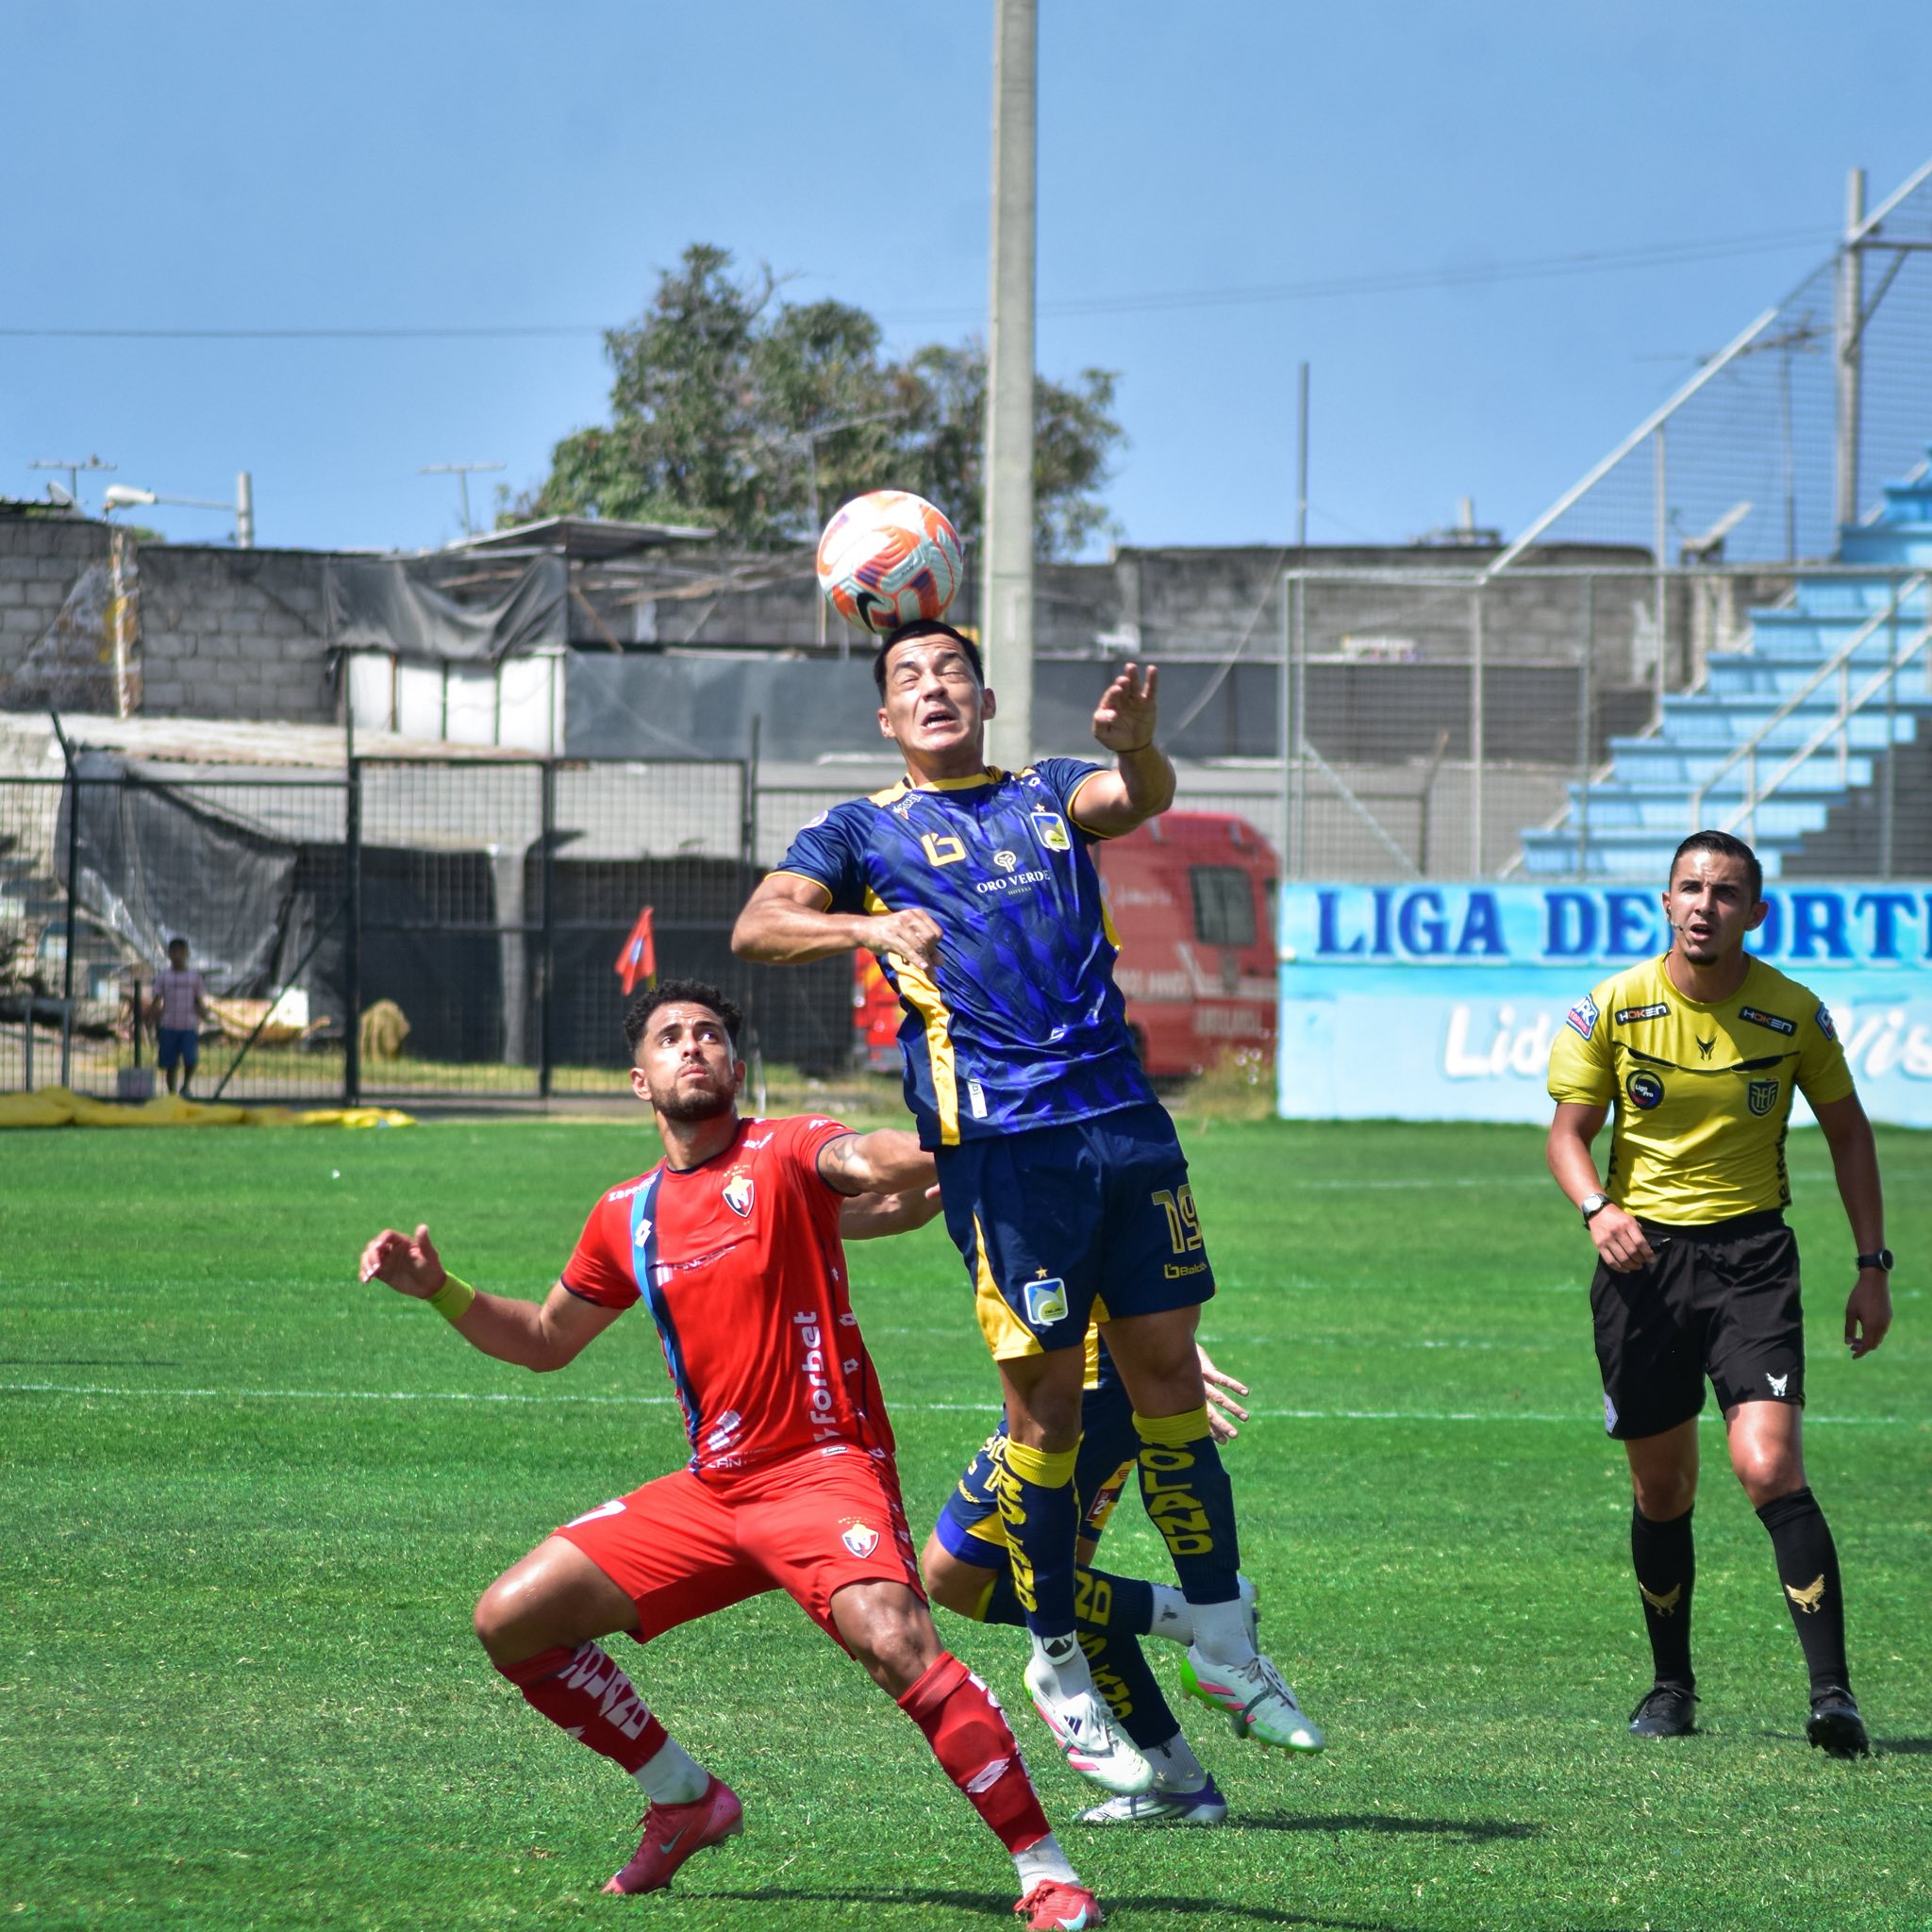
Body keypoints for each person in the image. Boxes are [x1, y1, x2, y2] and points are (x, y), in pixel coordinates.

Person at [358, 977, 1104, 1927]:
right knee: (511, 1617)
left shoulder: (785, 1148)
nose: (694, 1044)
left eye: (710, 1033)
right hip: (713, 1491)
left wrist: (958, 1135)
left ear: (737, 1067)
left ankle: (1045, 1871)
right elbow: (544, 1337)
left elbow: (871, 1159)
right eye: (672, 1036)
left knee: (895, 1640)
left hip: (824, 1466)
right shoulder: (623, 1212)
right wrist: (439, 1288)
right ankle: (682, 1796)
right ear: (641, 1079)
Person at [732, 617, 1320, 1795]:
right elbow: (757, 924)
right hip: (1007, 1149)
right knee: (1044, 1415)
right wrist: (865, 922)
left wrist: (1139, 746)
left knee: (1165, 1374)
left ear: (985, 698)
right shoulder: (860, 830)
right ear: (887, 720)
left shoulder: (1047, 790)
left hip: (1125, 1125)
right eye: (908, 678)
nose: (931, 685)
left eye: (949, 669)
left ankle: (1218, 1626)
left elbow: (1134, 794)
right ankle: (1055, 1657)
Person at [1545, 830, 1892, 1758]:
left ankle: (1833, 1695)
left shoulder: (1790, 1012)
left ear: (1753, 911)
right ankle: (1670, 1685)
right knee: (1661, 1488)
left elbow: (1848, 1134)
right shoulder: (1610, 1007)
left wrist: (1871, 1264)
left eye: (1725, 891)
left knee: (1767, 1464)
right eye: (1689, 887)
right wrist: (1595, 1207)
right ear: (1664, 902)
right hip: (1638, 1270)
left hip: (1749, 1259)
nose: (1704, 903)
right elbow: (1566, 1134)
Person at [923, 1333, 1258, 1826]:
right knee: (1072, 1591)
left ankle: (1202, 1621)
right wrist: (1165, 1348)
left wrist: (1164, 1349)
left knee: (951, 1575)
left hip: (1078, 1389)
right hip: (1099, 1379)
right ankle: (1182, 1780)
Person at [149, 936, 210, 1095]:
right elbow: (156, 1000)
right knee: (170, 1063)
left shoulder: (194, 977)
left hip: (189, 1025)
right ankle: (171, 1093)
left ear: (186, 954)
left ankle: (186, 1086)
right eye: (174, 952)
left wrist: (203, 1012)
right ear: (169, 954)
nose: (177, 955)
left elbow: (198, 1000)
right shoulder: (163, 977)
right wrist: (152, 1017)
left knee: (191, 1059)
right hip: (168, 1025)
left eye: (180, 952)